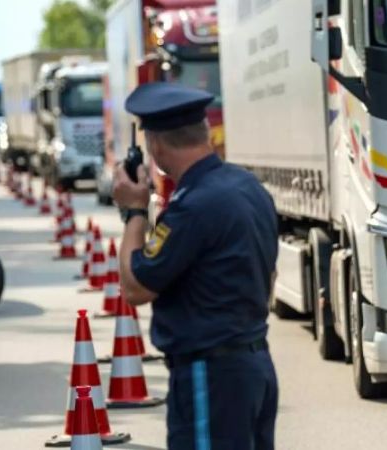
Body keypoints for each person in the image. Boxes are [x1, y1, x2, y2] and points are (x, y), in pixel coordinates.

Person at [112, 82, 279, 450]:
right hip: (254, 363)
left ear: (155, 145)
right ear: (204, 131)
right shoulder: (248, 187)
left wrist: (135, 212)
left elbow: (135, 287)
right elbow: (270, 277)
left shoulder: (193, 206)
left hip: (211, 375)